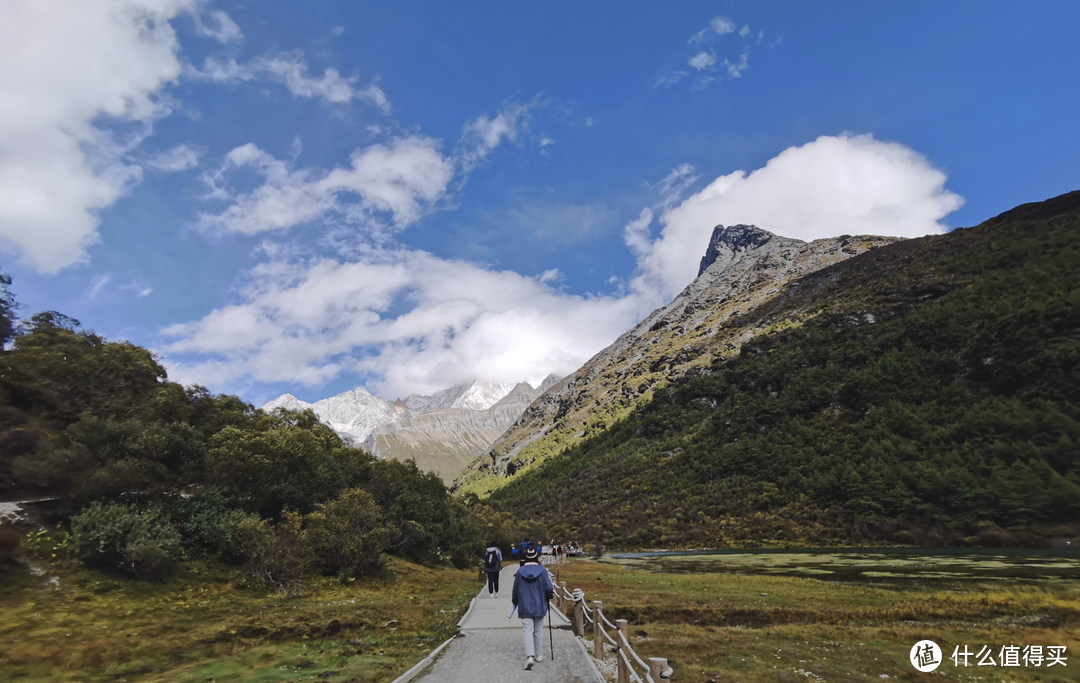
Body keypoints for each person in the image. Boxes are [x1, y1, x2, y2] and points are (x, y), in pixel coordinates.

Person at [510, 546, 554, 670]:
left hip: (525, 606)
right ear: (536, 557)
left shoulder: (520, 572)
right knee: (538, 630)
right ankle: (539, 655)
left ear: (525, 558)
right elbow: (549, 588)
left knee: (527, 630)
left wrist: (515, 601)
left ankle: (529, 656)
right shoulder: (543, 571)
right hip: (540, 605)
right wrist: (549, 597)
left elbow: (515, 590)